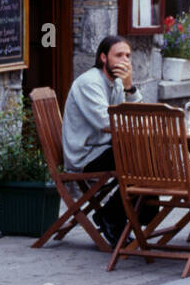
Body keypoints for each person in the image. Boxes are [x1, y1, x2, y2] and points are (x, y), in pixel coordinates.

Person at [61, 34, 147, 245]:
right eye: (118, 55)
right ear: (103, 58)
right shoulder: (89, 83)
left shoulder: (117, 83)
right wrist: (137, 124)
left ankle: (128, 213)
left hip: (104, 148)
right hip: (86, 155)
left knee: (150, 156)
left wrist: (130, 88)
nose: (125, 61)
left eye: (127, 56)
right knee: (142, 159)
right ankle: (112, 216)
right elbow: (107, 123)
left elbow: (134, 117)